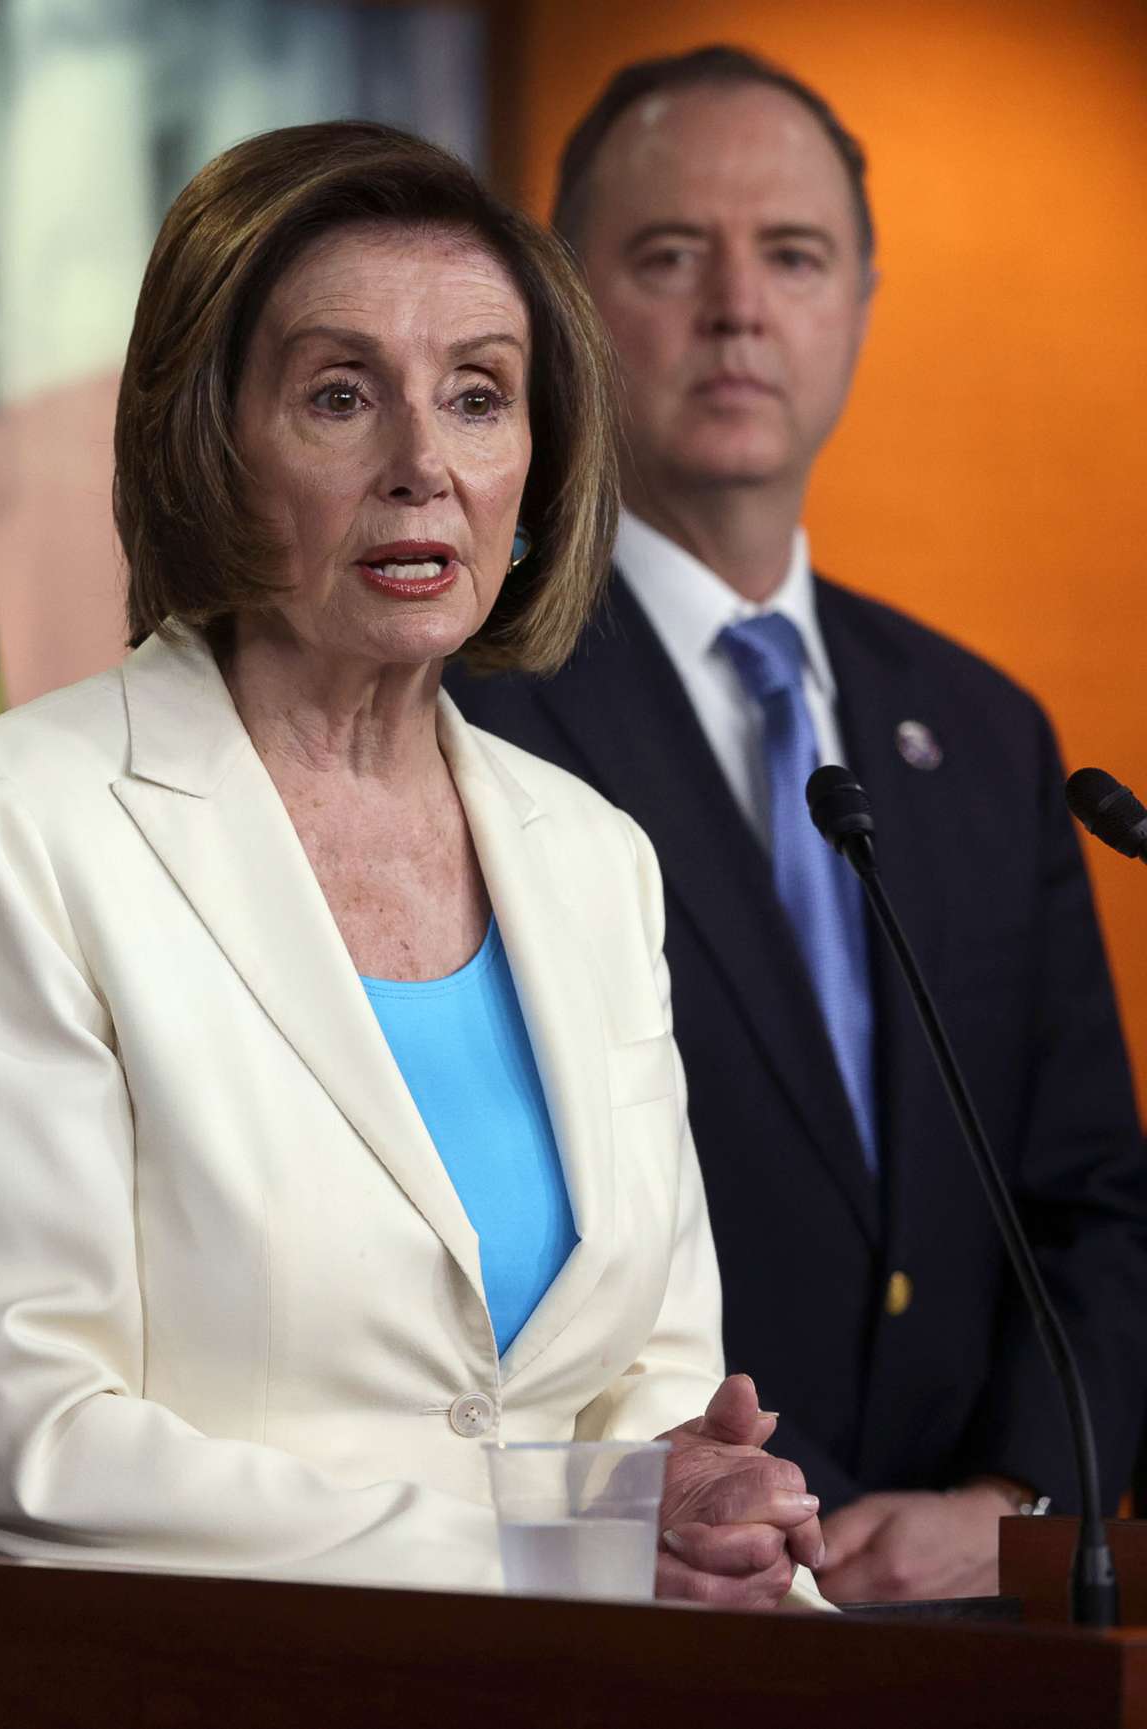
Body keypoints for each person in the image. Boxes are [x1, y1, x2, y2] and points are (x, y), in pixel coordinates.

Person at [0, 121, 824, 1727]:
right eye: (341, 393)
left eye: (482, 396)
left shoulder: (592, 856)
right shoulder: (16, 821)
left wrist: (716, 1526)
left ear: (538, 468)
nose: (422, 460)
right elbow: (32, 1438)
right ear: (207, 444)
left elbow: (653, 1390)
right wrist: (536, 1558)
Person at [451, 46, 1147, 1604]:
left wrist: (1014, 1496)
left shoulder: (981, 729)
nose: (738, 308)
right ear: (566, 302)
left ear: (858, 304)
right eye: (670, 255)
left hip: (978, 1614)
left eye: (793, 256)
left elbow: (1092, 1200)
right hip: (653, 1601)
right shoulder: (467, 704)